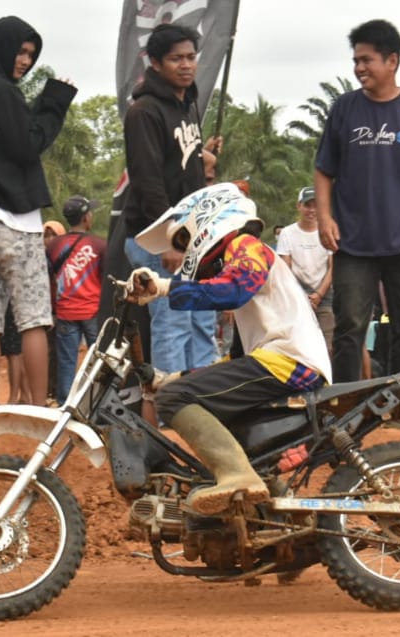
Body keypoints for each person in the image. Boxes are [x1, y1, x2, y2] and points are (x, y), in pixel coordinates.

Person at [130, 183, 331, 514]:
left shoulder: (247, 245)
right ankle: (284, 514)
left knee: (174, 399)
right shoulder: (242, 265)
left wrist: (167, 288)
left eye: (183, 240)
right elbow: (235, 361)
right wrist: (171, 377)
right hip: (281, 362)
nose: (184, 251)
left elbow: (233, 290)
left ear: (207, 220)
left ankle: (238, 476)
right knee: (187, 396)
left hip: (289, 362)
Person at [316, 19, 400, 384]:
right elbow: (324, 170)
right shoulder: (344, 109)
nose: (360, 68)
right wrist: (325, 217)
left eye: (367, 60)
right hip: (353, 244)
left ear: (392, 61)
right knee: (350, 328)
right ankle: (343, 407)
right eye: (356, 60)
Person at [0, 16, 76, 410]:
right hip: (17, 223)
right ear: (1, 47)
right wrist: (54, 104)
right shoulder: (5, 94)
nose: (25, 60)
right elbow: (28, 145)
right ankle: (37, 406)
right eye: (20, 51)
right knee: (34, 319)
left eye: (31, 53)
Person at [122, 23, 220, 378]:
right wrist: (169, 240)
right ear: (156, 63)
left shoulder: (186, 105)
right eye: (176, 58)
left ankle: (206, 402)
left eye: (191, 57)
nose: (186, 65)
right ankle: (172, 412)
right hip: (157, 239)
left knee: (201, 324)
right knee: (174, 323)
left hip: (193, 237)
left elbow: (176, 166)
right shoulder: (144, 111)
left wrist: (201, 156)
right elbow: (149, 182)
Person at [47, 195, 106, 404]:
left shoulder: (54, 245)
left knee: (66, 361)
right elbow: (105, 278)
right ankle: (99, 402)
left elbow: (50, 277)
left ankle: (65, 404)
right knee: (100, 361)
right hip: (93, 311)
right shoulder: (99, 244)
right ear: (86, 217)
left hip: (65, 312)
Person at [276, 187, 334, 354]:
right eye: (308, 205)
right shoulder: (287, 233)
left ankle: (328, 380)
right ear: (299, 206)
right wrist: (301, 296)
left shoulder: (327, 230)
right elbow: (285, 268)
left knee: (327, 345)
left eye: (316, 206)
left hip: (324, 294)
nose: (312, 210)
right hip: (296, 293)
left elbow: (332, 267)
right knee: (298, 343)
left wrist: (319, 295)